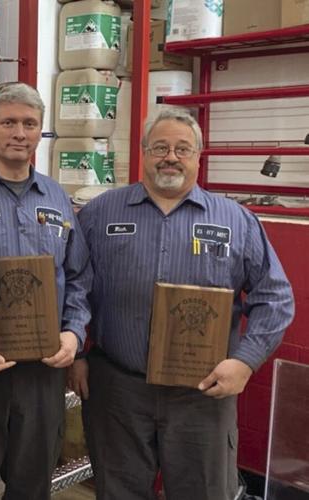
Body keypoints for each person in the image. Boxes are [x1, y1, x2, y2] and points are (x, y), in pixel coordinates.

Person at [69, 108, 294, 500]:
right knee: (118, 491)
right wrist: (76, 353)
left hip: (202, 394)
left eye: (182, 149)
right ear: (143, 152)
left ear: (198, 156)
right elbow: (73, 284)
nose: (170, 157)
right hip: (118, 390)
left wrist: (245, 361)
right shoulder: (99, 214)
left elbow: (275, 297)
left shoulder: (237, 221)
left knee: (203, 492)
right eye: (160, 147)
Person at [0, 83, 91, 500]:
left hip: (43, 370)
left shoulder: (57, 197)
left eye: (30, 124)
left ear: (40, 131)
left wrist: (74, 334)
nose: (19, 132)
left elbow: (79, 276)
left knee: (32, 483)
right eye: (8, 122)